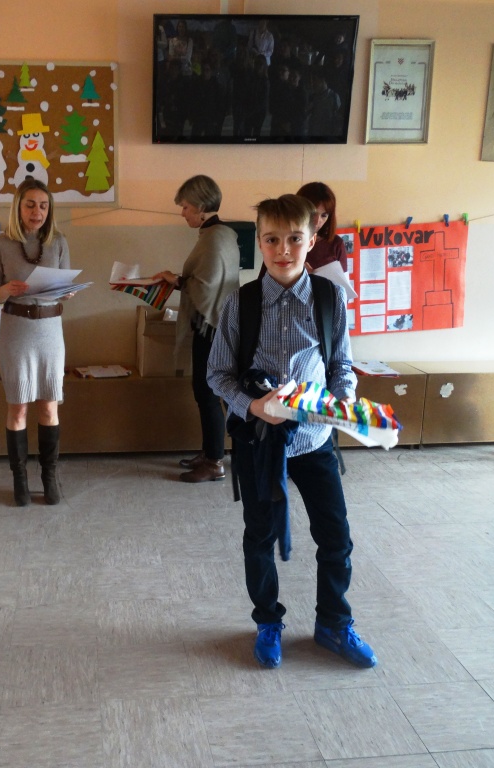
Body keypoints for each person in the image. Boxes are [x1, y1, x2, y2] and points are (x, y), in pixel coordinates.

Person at [207, 193, 377, 670]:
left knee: (336, 537)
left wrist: (335, 404)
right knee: (260, 537)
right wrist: (254, 405)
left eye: (295, 239)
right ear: (259, 242)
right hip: (260, 444)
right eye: (271, 239)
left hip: (314, 442)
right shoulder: (241, 303)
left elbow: (341, 365)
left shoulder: (329, 298)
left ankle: (334, 623)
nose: (283, 250)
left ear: (313, 239)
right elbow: (217, 373)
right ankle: (268, 621)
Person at [0, 179, 73, 507]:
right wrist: (5, 290)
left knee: (49, 405)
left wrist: (68, 291)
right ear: (18, 207)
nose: (37, 212)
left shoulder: (58, 241)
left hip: (50, 330)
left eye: (43, 206)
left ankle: (49, 476)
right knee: (18, 406)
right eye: (30, 205)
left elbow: (64, 285)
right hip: (16, 330)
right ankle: (19, 479)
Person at [154, 175, 240, 483]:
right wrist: (178, 280)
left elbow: (206, 286)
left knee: (207, 393)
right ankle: (210, 452)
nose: (182, 213)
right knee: (206, 392)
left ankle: (214, 462)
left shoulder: (214, 237)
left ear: (202, 207)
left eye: (186, 207)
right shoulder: (221, 234)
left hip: (212, 326)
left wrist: (177, 281)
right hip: (218, 324)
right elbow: (209, 280)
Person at [296, 181, 348, 272]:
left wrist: (315, 277)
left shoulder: (336, 244)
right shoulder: (285, 240)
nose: (317, 222)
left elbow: (342, 280)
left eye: (324, 215)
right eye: (312, 214)